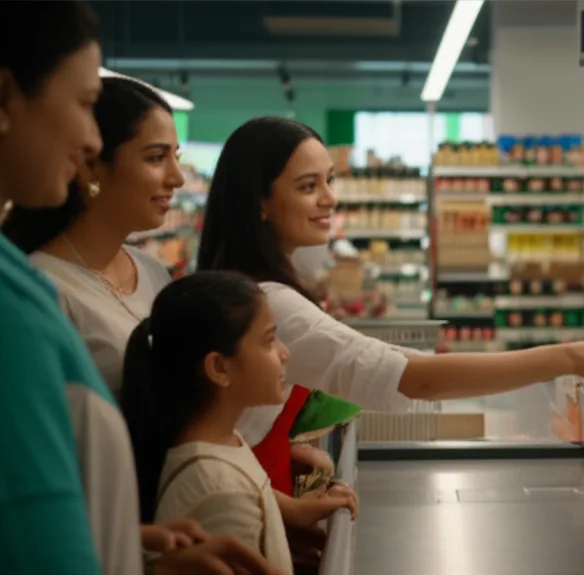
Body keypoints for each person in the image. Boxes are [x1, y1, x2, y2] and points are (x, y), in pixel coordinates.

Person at [0, 3, 278, 573]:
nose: (87, 138)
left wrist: (135, 542)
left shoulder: (150, 273)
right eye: (82, 104)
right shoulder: (33, 296)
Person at [196, 116, 584, 452]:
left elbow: (391, 362)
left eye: (330, 180)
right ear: (259, 201)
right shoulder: (270, 304)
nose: (330, 199)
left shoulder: (244, 287)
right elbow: (417, 378)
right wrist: (568, 358)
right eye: (307, 186)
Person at [121, 271, 359, 574]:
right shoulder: (221, 490)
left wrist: (280, 526)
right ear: (219, 367)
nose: (285, 353)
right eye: (269, 341)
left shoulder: (225, 442)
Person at [4, 75, 181, 398]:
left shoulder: (152, 271)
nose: (177, 178)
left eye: (176, 157)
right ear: (89, 166)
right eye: (156, 158)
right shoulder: (44, 288)